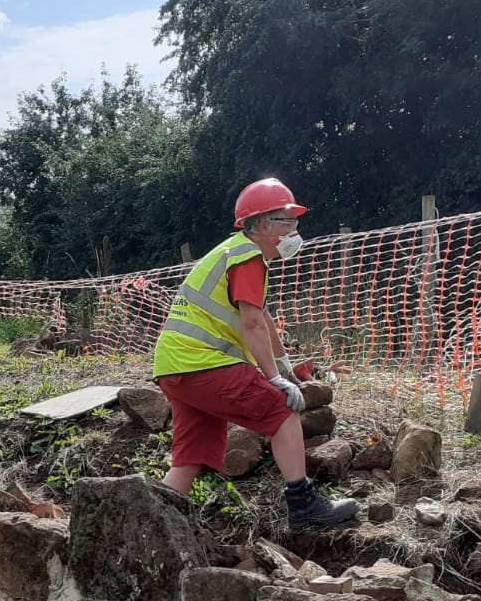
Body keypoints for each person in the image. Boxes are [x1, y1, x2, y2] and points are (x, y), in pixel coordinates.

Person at [153, 177, 360, 529]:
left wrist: (285, 367)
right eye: (287, 222)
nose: (295, 231)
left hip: (176, 367)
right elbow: (251, 325)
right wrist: (276, 380)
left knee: (188, 459)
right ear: (264, 225)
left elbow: (262, 318)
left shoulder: (233, 253)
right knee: (282, 409)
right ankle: (304, 505)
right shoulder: (248, 257)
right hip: (202, 363)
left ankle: (155, 524)